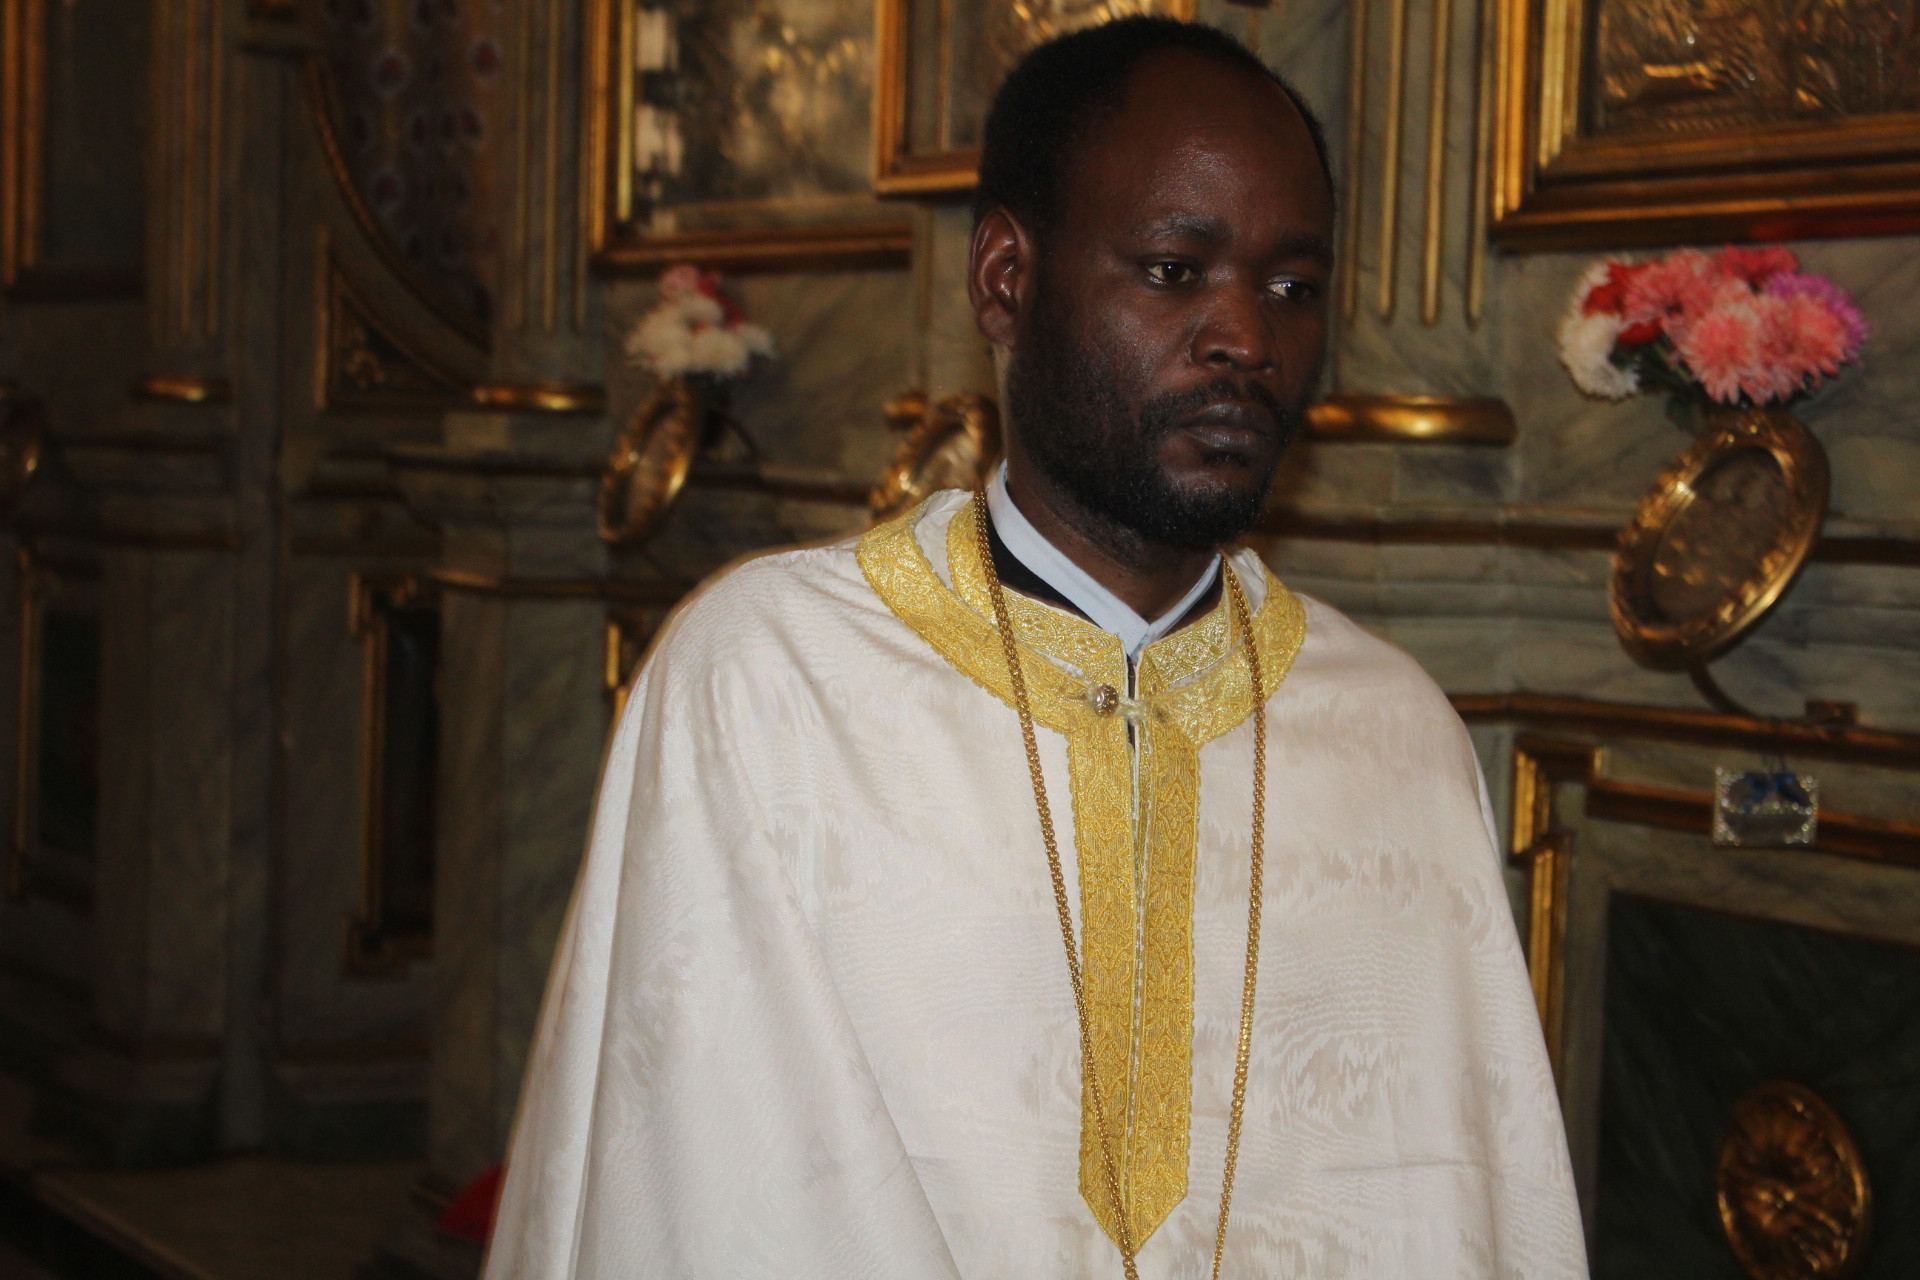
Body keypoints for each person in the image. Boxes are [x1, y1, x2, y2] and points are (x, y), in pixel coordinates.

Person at [485, 18, 1587, 1279]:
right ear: (1006, 278)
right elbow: (702, 1184)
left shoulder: (1394, 735)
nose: (1247, 337)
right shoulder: (772, 681)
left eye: (1292, 286)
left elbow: (1452, 1209)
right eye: (1175, 269)